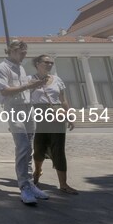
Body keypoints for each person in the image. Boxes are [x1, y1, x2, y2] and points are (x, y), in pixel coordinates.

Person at [0, 40, 50, 205]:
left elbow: (24, 87)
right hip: (14, 110)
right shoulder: (1, 68)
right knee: (23, 146)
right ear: (11, 51)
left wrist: (35, 85)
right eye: (21, 52)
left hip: (28, 108)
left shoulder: (21, 68)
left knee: (30, 148)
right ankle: (24, 187)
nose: (25, 55)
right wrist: (27, 86)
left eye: (25, 52)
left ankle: (30, 184)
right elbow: (4, 90)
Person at [30, 54, 78, 195]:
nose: (49, 65)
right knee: (39, 147)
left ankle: (63, 184)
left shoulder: (57, 79)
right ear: (37, 63)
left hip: (56, 114)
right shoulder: (29, 79)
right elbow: (25, 99)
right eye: (46, 62)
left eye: (51, 63)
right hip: (38, 114)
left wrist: (69, 115)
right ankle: (37, 172)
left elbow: (63, 99)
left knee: (59, 148)